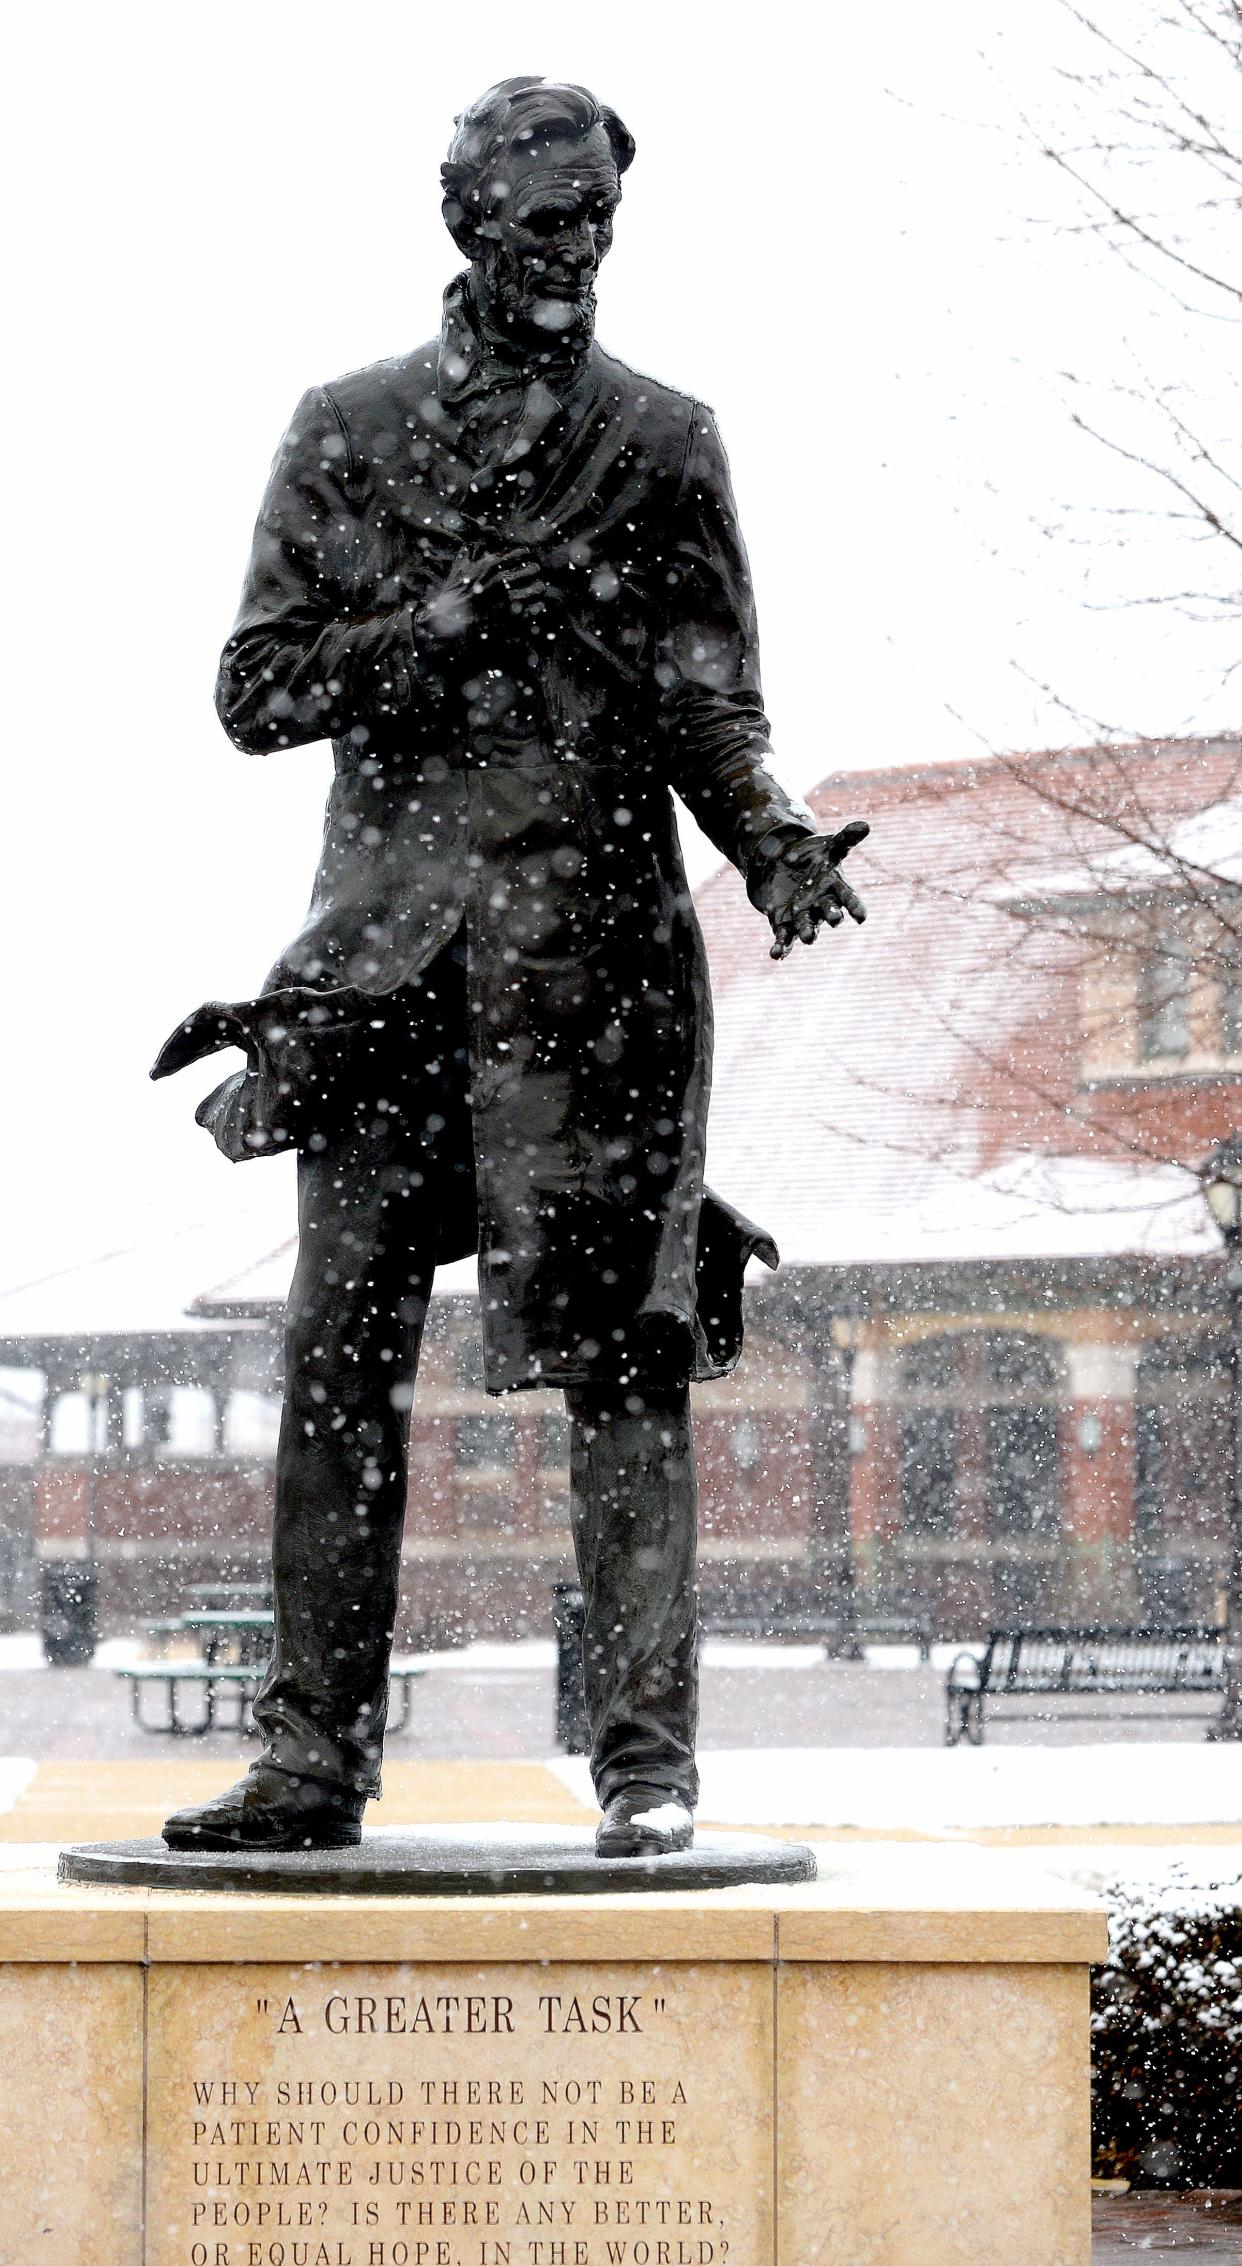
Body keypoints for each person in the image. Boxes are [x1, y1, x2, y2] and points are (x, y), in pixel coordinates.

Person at [155, 77, 867, 1858]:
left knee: (627, 1371)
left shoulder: (663, 440)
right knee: (339, 1362)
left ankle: (647, 1763)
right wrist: (428, 627)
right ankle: (311, 1759)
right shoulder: (348, 428)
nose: (580, 251)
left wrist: (772, 843)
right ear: (468, 219)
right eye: (550, 221)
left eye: (600, 222)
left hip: (599, 977)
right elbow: (256, 691)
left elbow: (711, 699)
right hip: (384, 987)